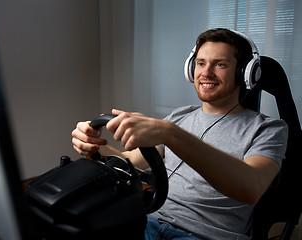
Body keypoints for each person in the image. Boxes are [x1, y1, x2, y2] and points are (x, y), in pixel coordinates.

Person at [71, 28, 288, 240]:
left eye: (220, 64)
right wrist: (94, 146)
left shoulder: (268, 129)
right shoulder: (180, 116)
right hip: (146, 221)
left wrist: (170, 133)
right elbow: (131, 162)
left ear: (244, 72)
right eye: (201, 63)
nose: (206, 72)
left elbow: (251, 188)